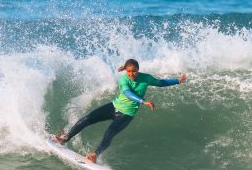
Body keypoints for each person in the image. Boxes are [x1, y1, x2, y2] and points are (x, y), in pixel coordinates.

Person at [53, 59, 187, 163]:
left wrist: (178, 80)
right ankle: (65, 138)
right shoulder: (123, 79)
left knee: (109, 133)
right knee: (87, 119)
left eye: (134, 71)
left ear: (138, 70)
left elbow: (160, 83)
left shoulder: (146, 78)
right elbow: (127, 93)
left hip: (126, 114)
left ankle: (94, 155)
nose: (131, 74)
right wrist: (143, 101)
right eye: (129, 71)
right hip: (114, 106)